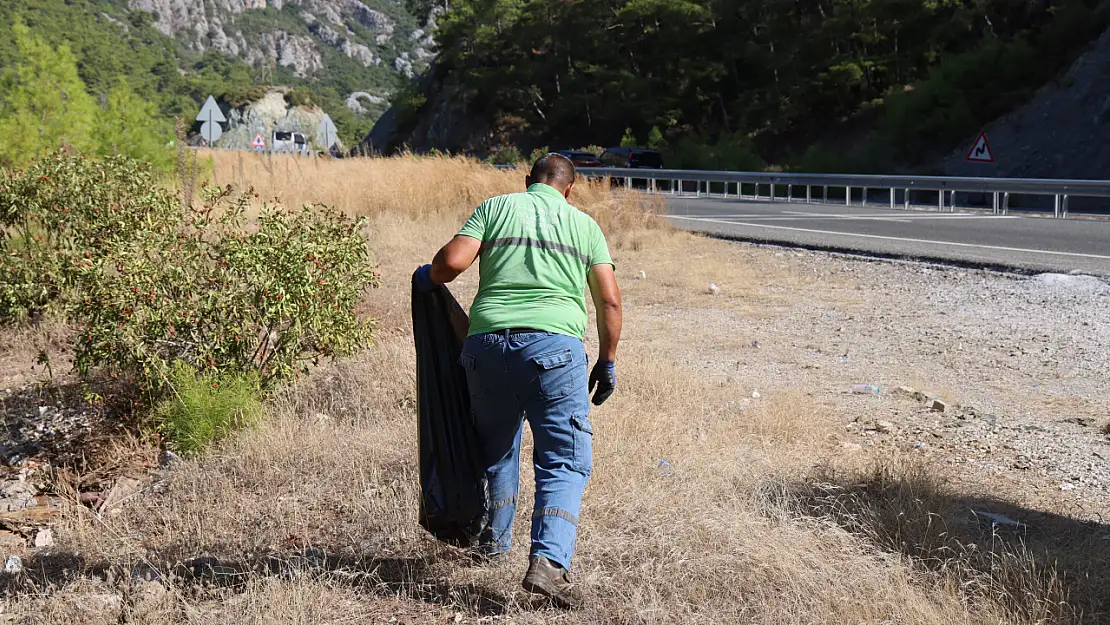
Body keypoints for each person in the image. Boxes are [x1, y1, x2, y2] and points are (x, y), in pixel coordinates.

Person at [414, 153, 623, 608]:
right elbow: (609, 302)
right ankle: (548, 563)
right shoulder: (584, 226)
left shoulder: (495, 208)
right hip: (553, 353)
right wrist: (606, 362)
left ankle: (494, 544)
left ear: (528, 181)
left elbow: (451, 263)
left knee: (496, 449)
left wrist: (427, 277)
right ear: (571, 188)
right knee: (564, 461)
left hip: (486, 350)